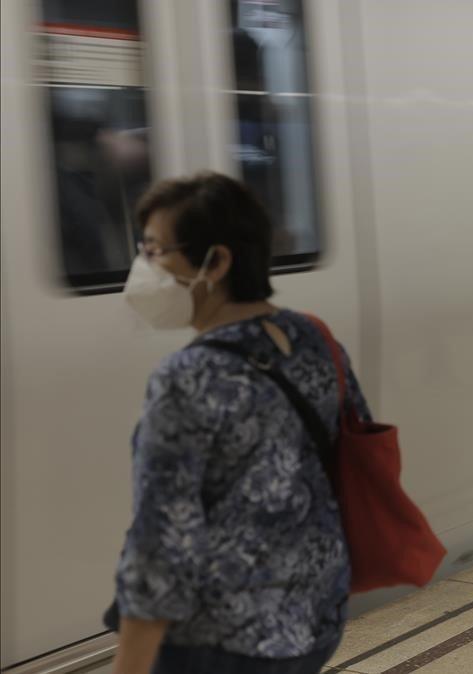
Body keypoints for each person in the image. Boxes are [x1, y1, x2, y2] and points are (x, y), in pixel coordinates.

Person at [109, 172, 368, 673]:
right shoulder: (315, 339)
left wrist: (130, 665)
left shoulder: (187, 376)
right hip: (315, 619)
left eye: (156, 250)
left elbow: (162, 542)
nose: (144, 267)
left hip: (224, 643)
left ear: (218, 261)